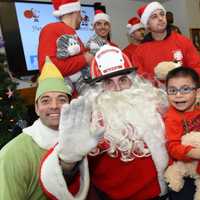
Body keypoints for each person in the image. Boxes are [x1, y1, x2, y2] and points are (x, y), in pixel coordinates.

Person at [39, 45, 169, 200]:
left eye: (123, 80)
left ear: (134, 82)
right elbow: (56, 183)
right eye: (108, 82)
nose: (118, 89)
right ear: (97, 90)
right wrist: (68, 161)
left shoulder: (153, 106)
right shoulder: (90, 122)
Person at [0, 57, 101, 200]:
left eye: (61, 99)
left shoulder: (82, 140)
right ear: (36, 108)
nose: (54, 106)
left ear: (70, 106)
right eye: (45, 100)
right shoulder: (12, 155)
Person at [132, 1, 200, 81]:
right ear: (147, 24)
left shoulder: (183, 41)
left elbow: (197, 68)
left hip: (183, 91)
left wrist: (181, 76)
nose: (160, 18)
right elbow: (140, 80)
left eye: (162, 14)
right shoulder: (139, 52)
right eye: (154, 16)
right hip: (155, 93)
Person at [164, 67, 200, 200]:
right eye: (172, 90)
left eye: (185, 89)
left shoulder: (198, 109)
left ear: (197, 92)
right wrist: (195, 153)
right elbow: (173, 148)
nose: (178, 95)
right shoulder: (172, 118)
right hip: (184, 170)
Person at [38, 0, 93, 84]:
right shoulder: (50, 29)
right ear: (75, 12)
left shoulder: (73, 33)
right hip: (66, 94)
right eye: (80, 12)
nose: (82, 17)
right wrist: (85, 58)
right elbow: (48, 68)